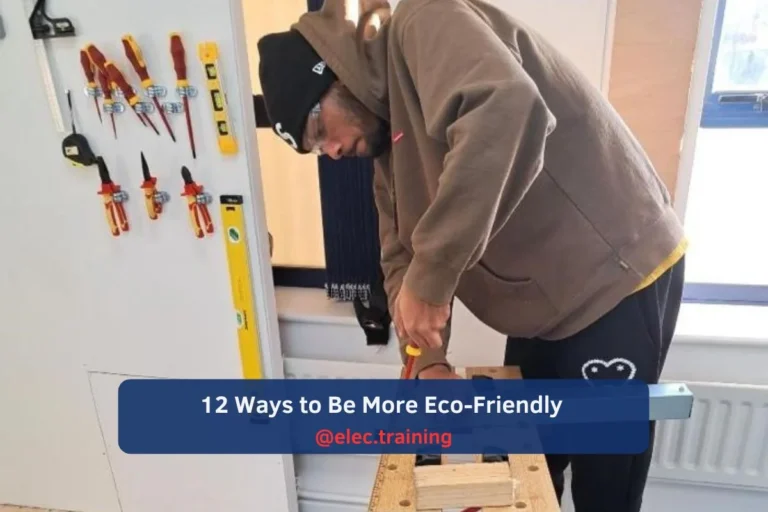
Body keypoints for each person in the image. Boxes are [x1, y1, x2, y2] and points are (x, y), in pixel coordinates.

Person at [256, 0, 686, 510]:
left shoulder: (424, 21)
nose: (328, 151)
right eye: (314, 149)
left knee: (605, 488)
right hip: (543, 313)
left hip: (613, 279)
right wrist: (430, 363)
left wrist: (432, 280)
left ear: (333, 75)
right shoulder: (388, 154)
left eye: (317, 132)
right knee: (529, 466)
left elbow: (506, 111)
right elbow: (399, 259)